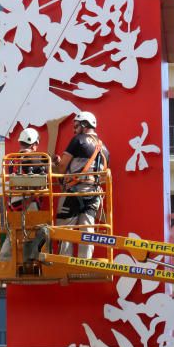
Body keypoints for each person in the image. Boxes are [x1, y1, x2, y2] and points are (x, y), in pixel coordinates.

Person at [56, 111, 109, 258]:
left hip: (74, 191)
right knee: (87, 228)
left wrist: (60, 170)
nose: (74, 129)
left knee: (65, 227)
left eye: (76, 125)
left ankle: (64, 260)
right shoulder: (104, 149)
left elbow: (62, 167)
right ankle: (85, 261)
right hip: (94, 194)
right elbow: (103, 176)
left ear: (84, 124)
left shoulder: (78, 140)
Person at [0, 127, 46, 261]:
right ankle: (30, 259)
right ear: (33, 143)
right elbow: (43, 179)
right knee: (36, 231)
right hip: (29, 203)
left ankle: (5, 260)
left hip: (14, 204)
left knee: (14, 232)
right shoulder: (36, 158)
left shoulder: (12, 159)